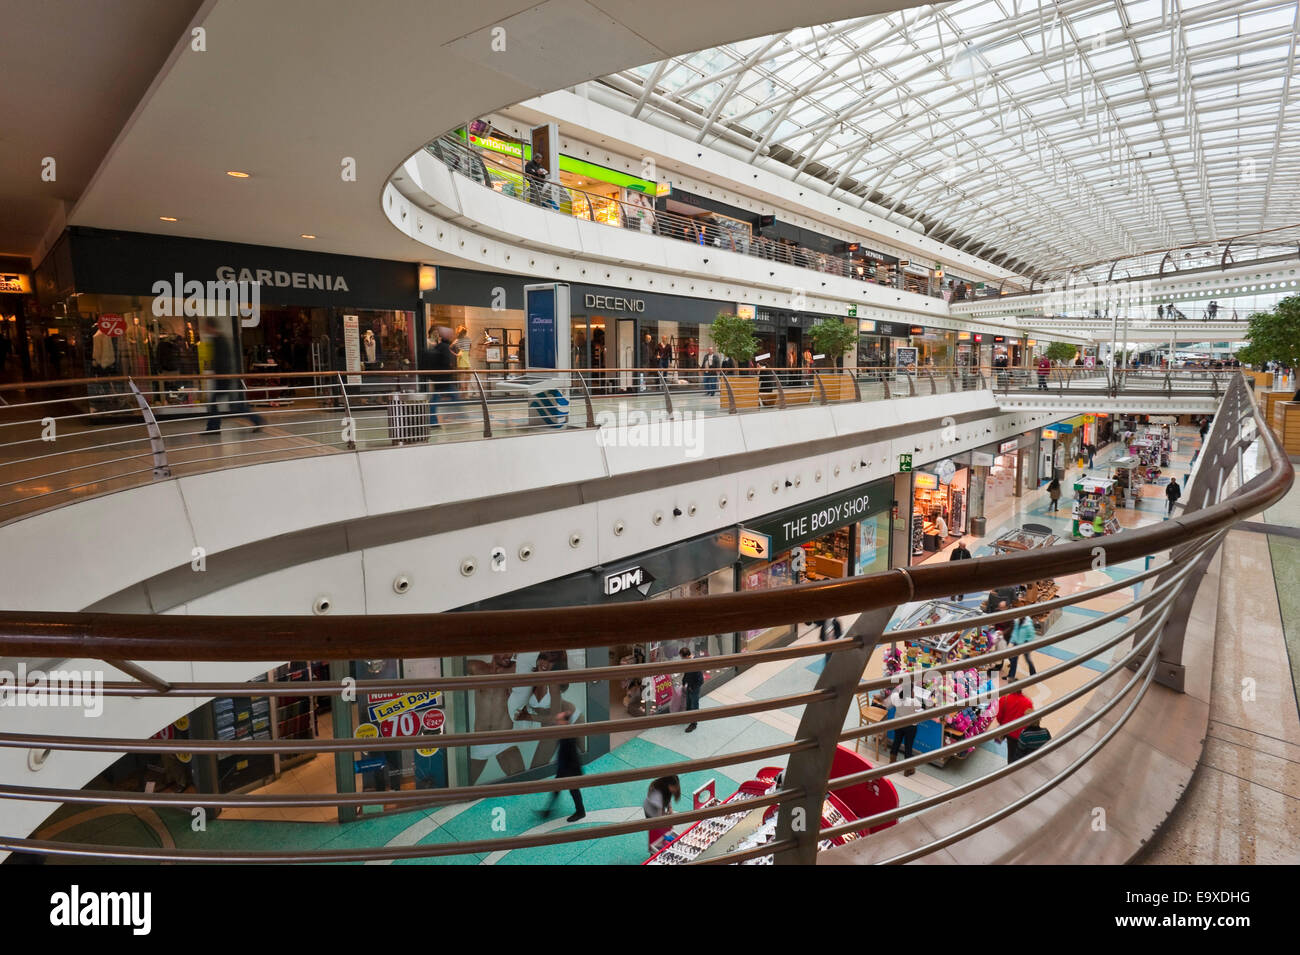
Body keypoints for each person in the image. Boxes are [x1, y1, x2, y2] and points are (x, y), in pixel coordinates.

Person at [202, 316, 265, 434]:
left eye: (205, 326)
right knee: (232, 405)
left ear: (210, 326)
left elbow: (224, 360)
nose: (204, 329)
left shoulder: (220, 340)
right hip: (225, 378)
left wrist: (220, 376)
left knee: (224, 404)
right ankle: (257, 420)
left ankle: (214, 427)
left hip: (225, 379)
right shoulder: (218, 339)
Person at [536, 710, 585, 823]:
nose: (556, 721)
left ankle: (580, 812)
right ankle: (547, 810)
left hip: (569, 770)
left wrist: (567, 772)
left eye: (559, 720)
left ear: (565, 722)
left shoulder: (569, 735)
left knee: (573, 790)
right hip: (565, 769)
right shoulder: (564, 731)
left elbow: (572, 756)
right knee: (557, 789)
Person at [422, 326, 457, 427]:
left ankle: (433, 421)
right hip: (443, 378)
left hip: (438, 377)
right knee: (455, 398)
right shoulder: (443, 346)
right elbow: (445, 361)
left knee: (436, 399)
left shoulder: (438, 346)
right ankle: (458, 419)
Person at [887, 683, 921, 776]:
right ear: (911, 691)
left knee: (896, 742)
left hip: (898, 723)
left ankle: (892, 762)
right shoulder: (913, 701)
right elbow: (919, 707)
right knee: (908, 746)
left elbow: (892, 699)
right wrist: (913, 696)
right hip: (910, 726)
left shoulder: (895, 697)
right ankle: (908, 769)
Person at [995, 684, 1035, 764]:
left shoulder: (1004, 699)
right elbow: (1030, 719)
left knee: (1011, 754)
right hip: (1023, 734)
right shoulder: (1028, 702)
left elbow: (999, 717)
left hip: (1009, 733)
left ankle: (1011, 768)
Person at [644, 775, 682, 852]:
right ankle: (653, 851)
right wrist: (664, 834)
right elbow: (658, 818)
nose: (675, 789)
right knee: (655, 831)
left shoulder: (666, 788)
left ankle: (663, 843)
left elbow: (668, 798)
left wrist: (670, 808)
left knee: (665, 826)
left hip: (659, 808)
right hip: (651, 811)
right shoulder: (656, 795)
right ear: (669, 785)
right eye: (674, 787)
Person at [680, 648, 703, 733]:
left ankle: (693, 723)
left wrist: (692, 687)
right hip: (690, 685)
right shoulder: (688, 662)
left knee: (694, 704)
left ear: (685, 656)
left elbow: (699, 679)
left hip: (694, 687)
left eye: (682, 657)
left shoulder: (695, 663)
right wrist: (684, 682)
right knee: (689, 702)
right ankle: (688, 717)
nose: (681, 659)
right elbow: (687, 673)